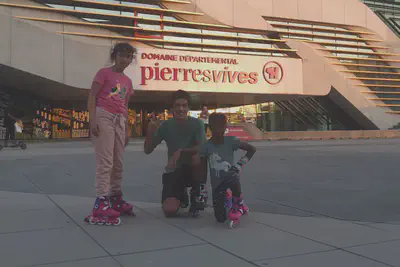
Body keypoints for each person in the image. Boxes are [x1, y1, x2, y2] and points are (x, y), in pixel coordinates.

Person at [84, 42, 136, 226]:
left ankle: (115, 197)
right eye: (122, 55)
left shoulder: (128, 82)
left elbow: (125, 105)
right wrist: (93, 120)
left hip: (120, 119)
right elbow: (92, 96)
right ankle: (101, 201)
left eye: (129, 56)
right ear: (115, 56)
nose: (126, 59)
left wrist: (127, 127)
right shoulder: (103, 73)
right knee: (105, 161)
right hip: (104, 115)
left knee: (118, 162)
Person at [144, 90, 207, 217]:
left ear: (188, 108)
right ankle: (181, 195)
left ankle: (197, 194)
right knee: (170, 210)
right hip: (175, 169)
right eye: (177, 105)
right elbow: (148, 150)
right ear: (172, 108)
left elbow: (204, 147)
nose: (181, 109)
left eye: (184, 105)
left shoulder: (197, 123)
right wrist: (150, 132)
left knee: (199, 157)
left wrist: (181, 151)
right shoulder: (165, 126)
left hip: (193, 168)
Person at [199, 113, 256, 228]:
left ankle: (238, 203)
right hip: (217, 186)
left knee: (231, 173)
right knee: (220, 219)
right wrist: (202, 189)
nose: (220, 131)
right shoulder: (206, 146)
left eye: (223, 127)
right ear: (210, 128)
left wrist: (240, 165)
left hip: (231, 178)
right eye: (216, 127)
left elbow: (252, 149)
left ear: (226, 127)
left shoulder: (231, 141)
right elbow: (203, 170)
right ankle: (228, 196)